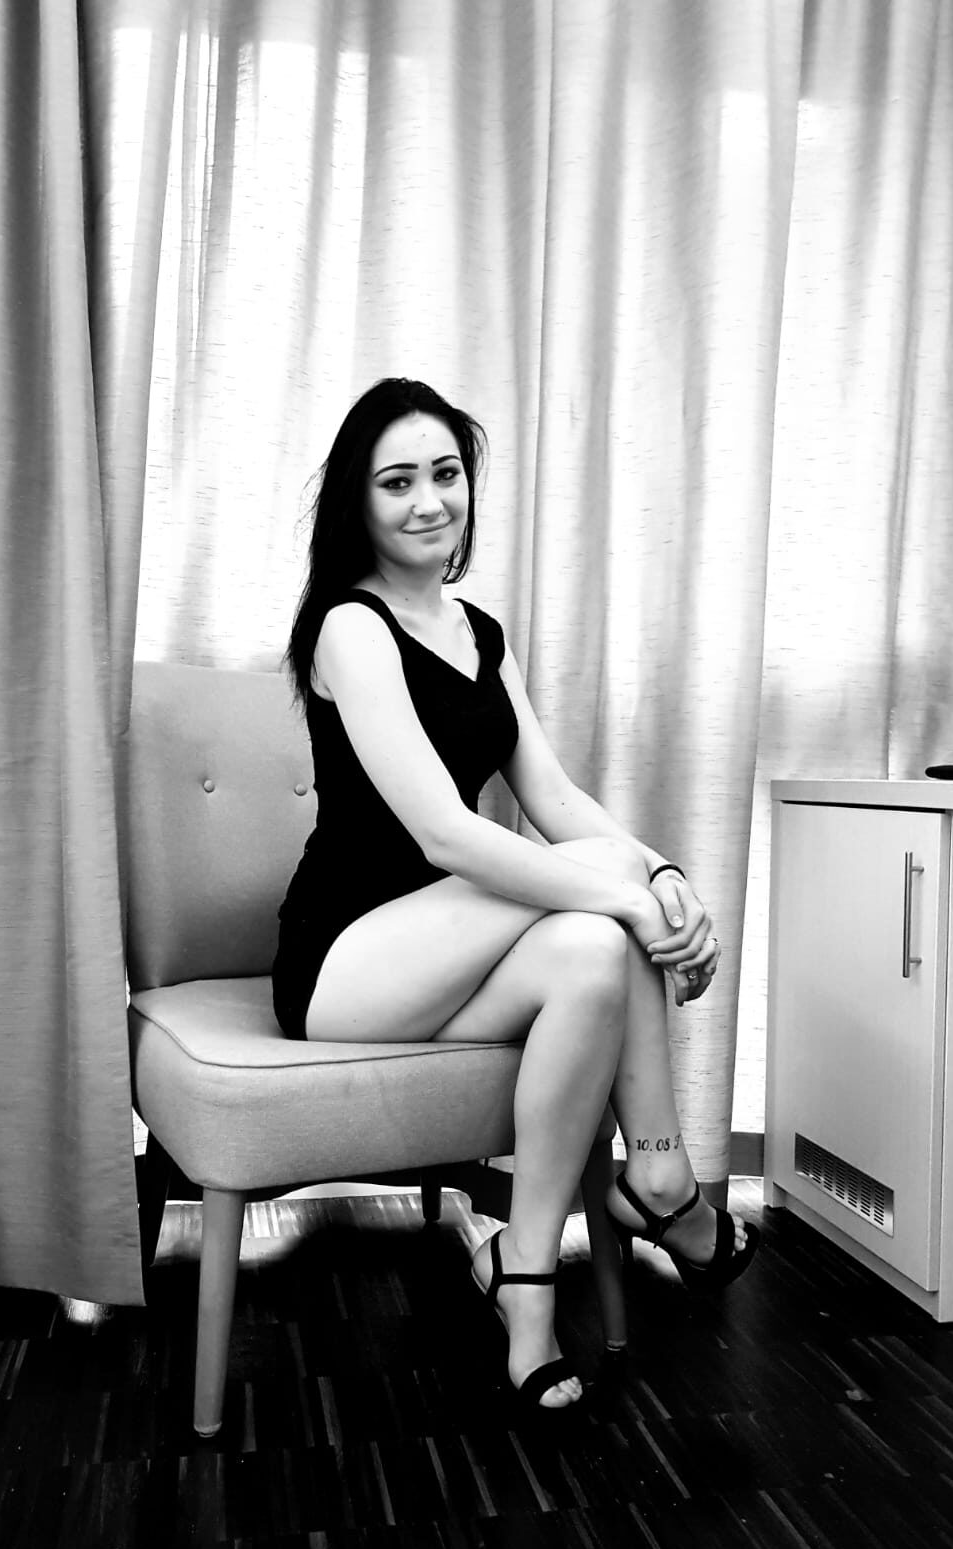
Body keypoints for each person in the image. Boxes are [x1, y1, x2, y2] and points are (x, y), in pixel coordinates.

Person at [273, 377, 758, 1411]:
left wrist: (661, 872)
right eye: (397, 482)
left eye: (445, 474)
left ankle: (525, 1278)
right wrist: (635, 890)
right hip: (350, 959)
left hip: (458, 949)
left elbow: (554, 797)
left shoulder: (479, 631)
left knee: (594, 950)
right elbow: (447, 835)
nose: (428, 501)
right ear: (358, 500)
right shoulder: (350, 626)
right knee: (612, 901)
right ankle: (661, 1183)